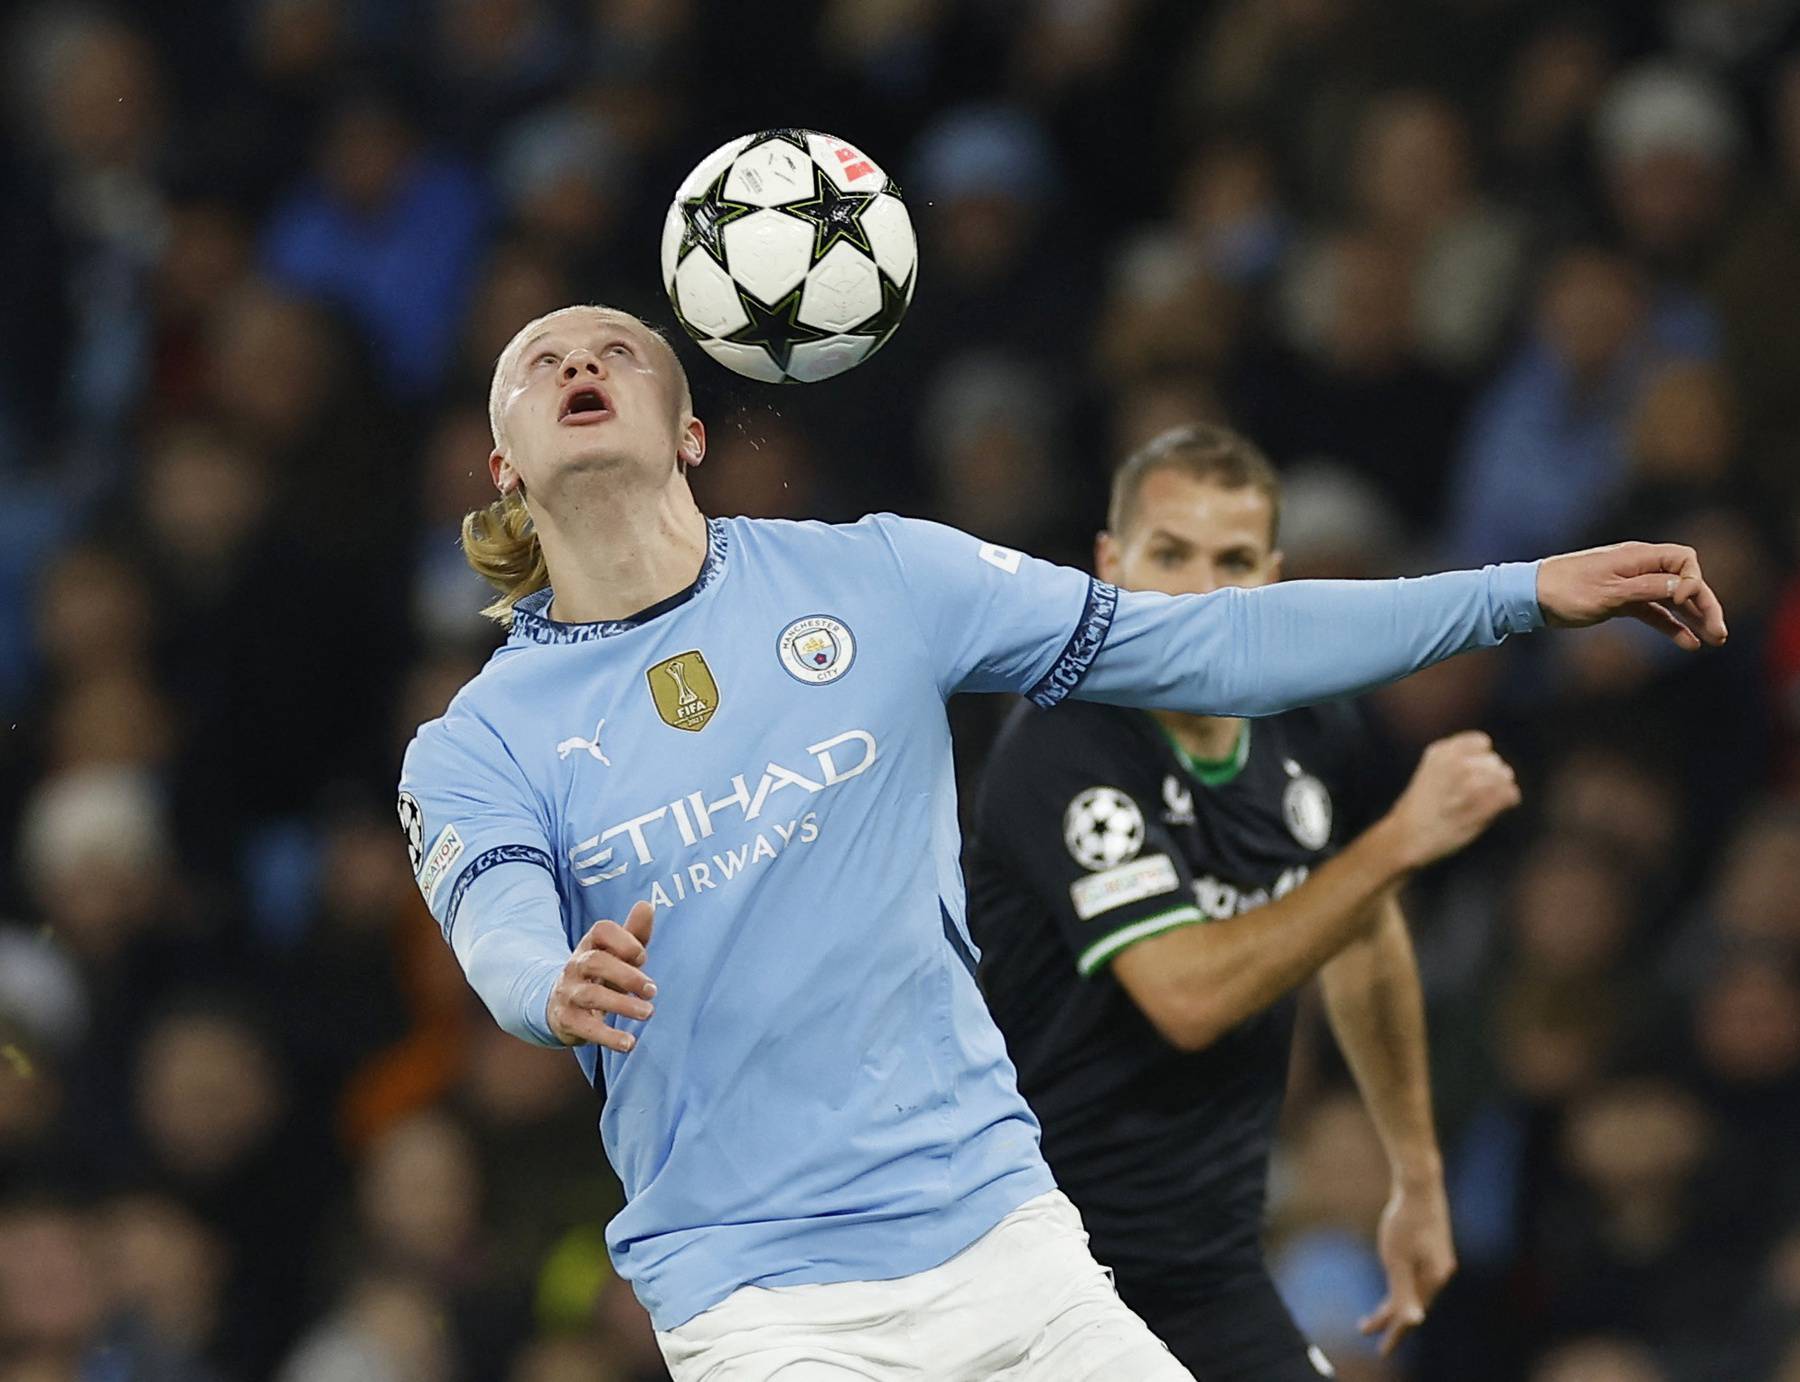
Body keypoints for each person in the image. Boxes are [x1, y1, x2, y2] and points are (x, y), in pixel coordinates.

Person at [396, 303, 1726, 1382]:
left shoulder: (880, 579)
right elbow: (497, 914)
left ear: (690, 430)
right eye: (540, 360)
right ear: (504, 462)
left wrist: (1518, 595)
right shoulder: (479, 742)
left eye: (617, 348)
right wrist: (547, 983)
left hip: (1006, 1244)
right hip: (762, 1301)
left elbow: (1206, 640)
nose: (580, 360)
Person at [966, 424, 1517, 1381]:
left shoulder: (1309, 724)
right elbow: (1188, 998)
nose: (1198, 593)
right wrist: (1398, 840)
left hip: (1206, 1270)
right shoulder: (1061, 745)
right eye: (1169, 555)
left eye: (1231, 561)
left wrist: (1416, 1175)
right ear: (1108, 564)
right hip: (1030, 1279)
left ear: (1272, 579)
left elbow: (1357, 926)